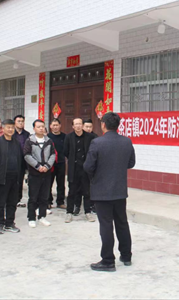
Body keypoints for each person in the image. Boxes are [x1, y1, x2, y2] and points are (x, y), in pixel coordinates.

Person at [84, 112, 136, 272]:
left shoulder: (97, 142)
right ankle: (126, 256)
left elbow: (88, 166)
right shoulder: (126, 141)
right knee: (122, 223)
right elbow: (131, 163)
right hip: (119, 190)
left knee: (106, 225)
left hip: (101, 191)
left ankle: (108, 261)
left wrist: (97, 175)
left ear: (103, 125)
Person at [0, 119, 22, 234]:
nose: (10, 129)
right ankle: (0, 224)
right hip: (2, 177)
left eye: (12, 127)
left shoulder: (16, 143)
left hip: (14, 177)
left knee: (12, 202)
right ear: (3, 128)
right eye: (8, 127)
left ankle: (9, 223)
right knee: (0, 202)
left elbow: (20, 160)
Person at [24, 120, 55, 228]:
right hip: (34, 173)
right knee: (33, 197)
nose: (41, 128)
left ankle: (42, 216)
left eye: (42, 126)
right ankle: (31, 218)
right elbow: (27, 155)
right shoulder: (29, 141)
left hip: (46, 173)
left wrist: (47, 166)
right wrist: (37, 166)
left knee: (44, 197)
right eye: (38, 127)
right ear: (34, 128)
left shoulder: (48, 140)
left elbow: (53, 155)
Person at [64, 118, 96, 223]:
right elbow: (65, 152)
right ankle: (69, 212)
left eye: (79, 124)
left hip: (86, 169)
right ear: (73, 126)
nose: (78, 126)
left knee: (87, 191)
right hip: (74, 168)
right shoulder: (69, 137)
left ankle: (88, 212)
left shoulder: (90, 137)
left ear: (82, 125)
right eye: (76, 124)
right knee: (72, 192)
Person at [47, 119, 66, 209]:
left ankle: (60, 202)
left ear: (60, 126)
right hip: (50, 163)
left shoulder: (64, 137)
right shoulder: (47, 137)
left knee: (61, 183)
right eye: (53, 125)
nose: (55, 127)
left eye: (57, 125)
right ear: (50, 126)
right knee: (49, 183)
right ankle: (48, 201)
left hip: (61, 162)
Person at [13, 115, 30, 208]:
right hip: (13, 160)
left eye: (22, 121)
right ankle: (12, 199)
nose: (21, 123)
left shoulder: (27, 134)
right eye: (18, 121)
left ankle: (18, 199)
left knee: (20, 180)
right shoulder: (12, 133)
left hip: (23, 161)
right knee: (13, 180)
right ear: (14, 122)